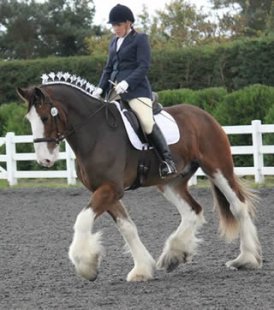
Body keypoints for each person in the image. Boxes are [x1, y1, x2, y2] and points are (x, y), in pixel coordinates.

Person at [92, 4, 177, 178]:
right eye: (113, 25)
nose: (115, 29)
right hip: (114, 91)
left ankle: (168, 161)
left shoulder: (140, 39)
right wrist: (100, 88)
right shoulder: (113, 42)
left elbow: (143, 66)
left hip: (137, 91)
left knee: (146, 122)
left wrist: (127, 83)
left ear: (128, 23)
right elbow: (108, 68)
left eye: (118, 25)